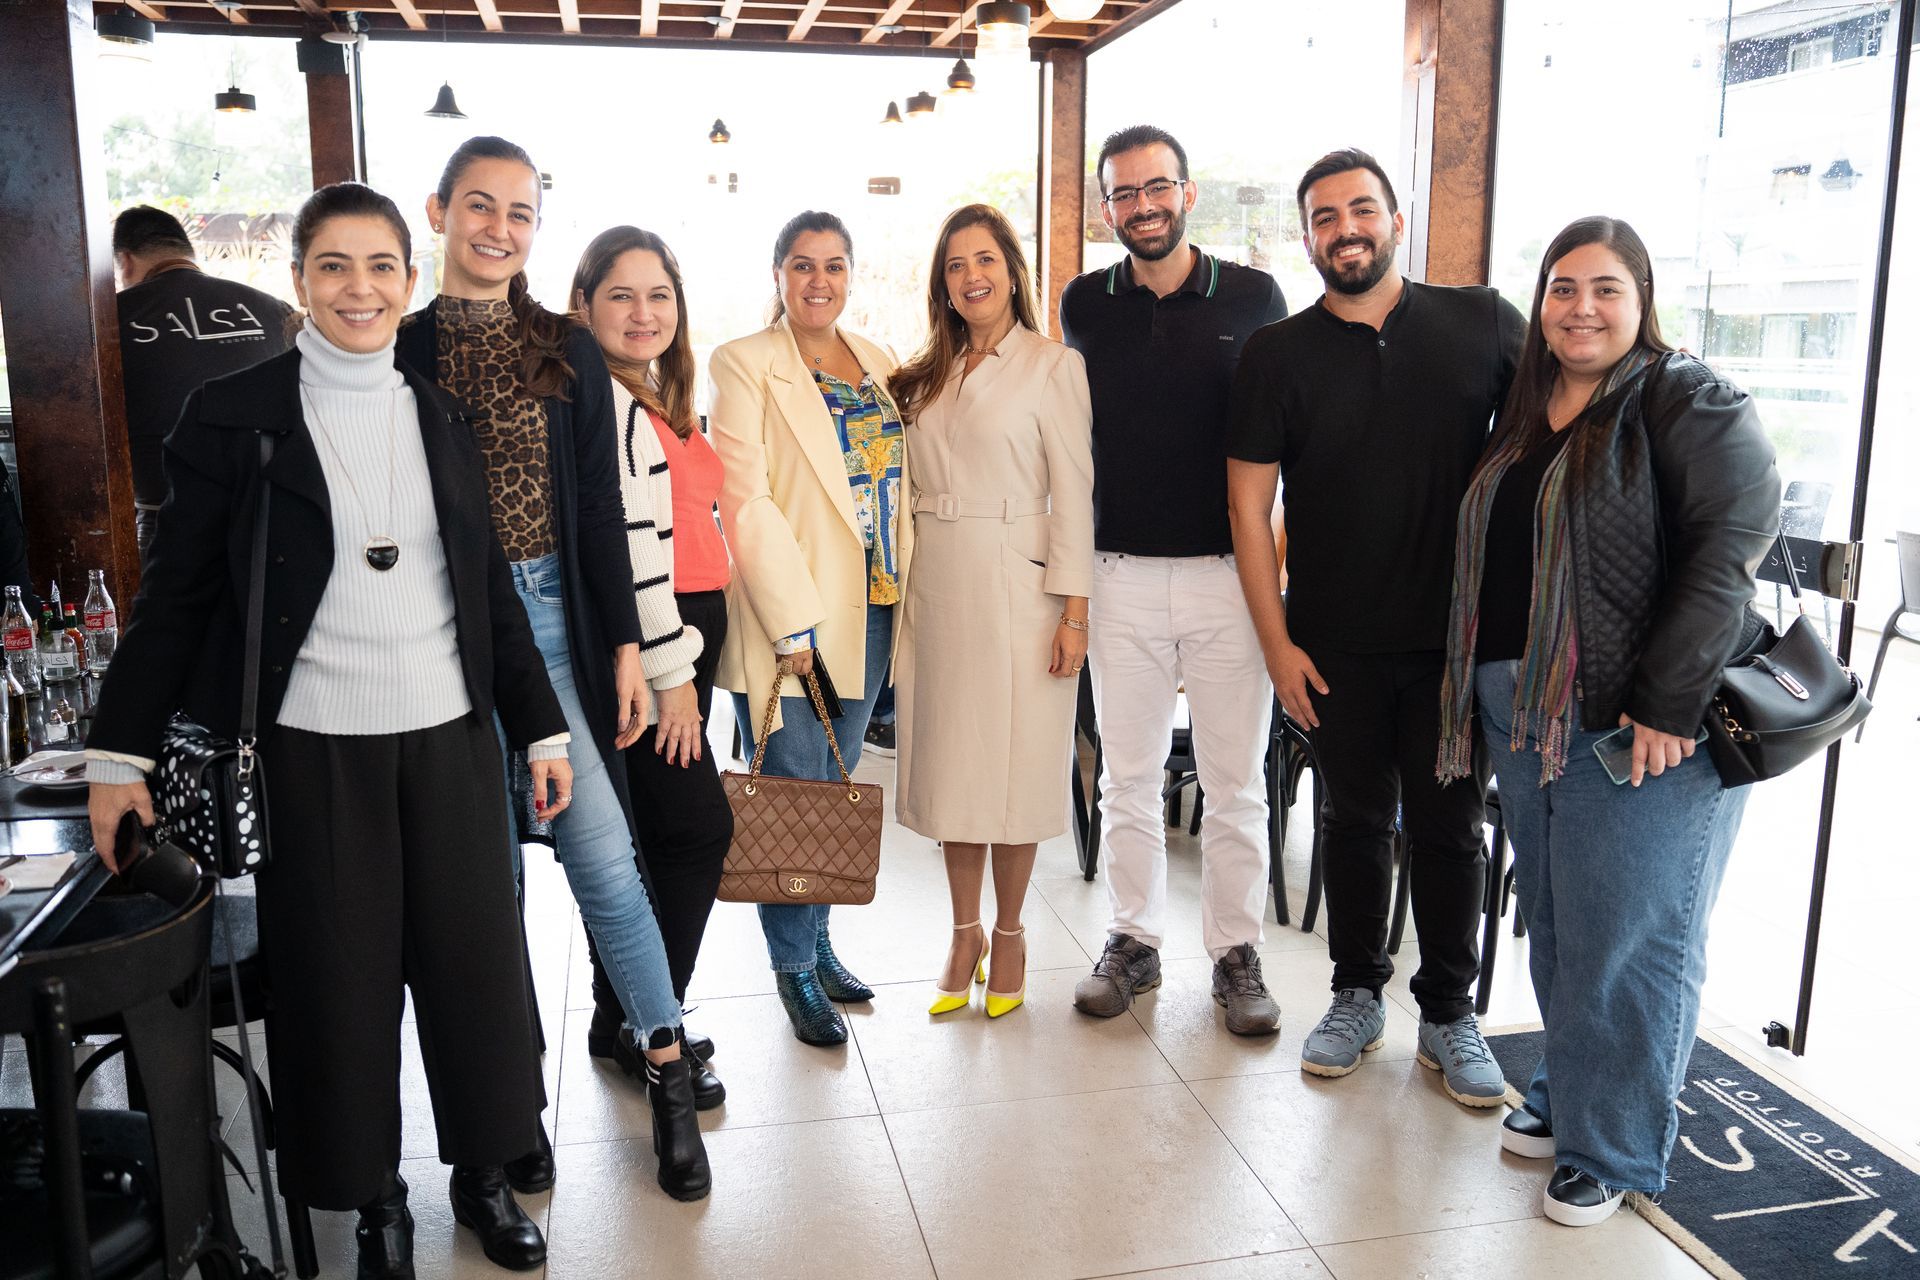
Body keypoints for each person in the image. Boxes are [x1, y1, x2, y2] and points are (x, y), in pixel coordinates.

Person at [85, 182, 567, 1275]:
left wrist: (541, 731)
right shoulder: (235, 414)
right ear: (300, 278)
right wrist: (120, 758)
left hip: (448, 737)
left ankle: (483, 1171)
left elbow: (486, 593)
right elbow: (174, 602)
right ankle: (375, 1205)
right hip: (313, 748)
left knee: (475, 973)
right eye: (336, 265)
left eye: (383, 265)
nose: (362, 287)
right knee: (339, 988)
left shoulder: (442, 412)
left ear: (410, 276)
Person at [1437, 217, 1778, 1225]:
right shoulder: (1526, 405)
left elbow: (1731, 544)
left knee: (1633, 934)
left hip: (1638, 721)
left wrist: (1668, 702)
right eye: (1562, 288)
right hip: (1529, 710)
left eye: (1605, 288)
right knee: (1557, 918)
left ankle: (1615, 1145)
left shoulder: (1683, 395)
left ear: (1641, 299)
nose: (1580, 307)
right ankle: (1570, 1087)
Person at [396, 136, 709, 1202]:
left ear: (537, 226)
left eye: (520, 212)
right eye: (479, 206)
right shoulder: (397, 349)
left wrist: (623, 647)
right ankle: (508, 1112)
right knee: (486, 888)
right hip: (438, 639)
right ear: (439, 209)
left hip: (553, 622)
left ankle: (668, 1065)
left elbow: (595, 517)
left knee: (607, 861)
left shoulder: (563, 347)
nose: (498, 228)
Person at [1226, 148, 1526, 1101]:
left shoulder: (1480, 321)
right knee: (1351, 821)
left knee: (1447, 830)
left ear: (1396, 219)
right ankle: (1356, 994)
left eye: (1361, 209)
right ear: (1307, 236)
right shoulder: (1276, 354)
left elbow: (1564, 418)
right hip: (1332, 644)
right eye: (1324, 216)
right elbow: (1247, 507)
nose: (1344, 228)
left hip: (1453, 646)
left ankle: (1450, 1015)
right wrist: (1276, 647)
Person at [1059, 125, 1289, 1036]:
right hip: (1117, 575)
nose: (1143, 206)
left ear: (1189, 193)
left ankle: (1236, 954)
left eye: (1158, 188)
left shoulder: (1256, 295)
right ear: (1105, 207)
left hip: (1230, 576)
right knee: (1128, 775)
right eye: (1124, 193)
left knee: (1235, 783)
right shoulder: (1084, 303)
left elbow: (1283, 434)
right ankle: (1132, 940)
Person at [709, 210, 910, 1047]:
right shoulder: (744, 362)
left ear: (850, 272)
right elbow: (745, 500)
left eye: (833, 265)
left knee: (836, 781)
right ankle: (792, 969)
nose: (818, 281)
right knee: (793, 789)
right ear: (778, 273)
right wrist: (791, 627)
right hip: (801, 617)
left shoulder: (880, 361)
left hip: (875, 602)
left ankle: (821, 943)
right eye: (801, 266)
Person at [888, 203, 1093, 1019]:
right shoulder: (923, 373)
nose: (971, 276)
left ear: (1012, 269)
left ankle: (1009, 935)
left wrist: (1075, 612)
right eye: (954, 265)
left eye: (985, 260)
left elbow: (1075, 496)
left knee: (1014, 770)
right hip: (938, 584)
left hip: (1022, 590)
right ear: (941, 284)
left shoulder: (1053, 366)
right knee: (952, 769)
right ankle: (963, 931)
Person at [569, 225, 733, 1108]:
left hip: (686, 638)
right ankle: (649, 1022)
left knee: (654, 836)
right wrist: (672, 679)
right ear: (583, 303)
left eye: (659, 294)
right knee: (694, 831)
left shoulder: (657, 397)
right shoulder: (609, 402)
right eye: (621, 295)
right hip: (654, 650)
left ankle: (624, 1016)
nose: (643, 313)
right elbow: (634, 555)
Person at [112, 205, 294, 561]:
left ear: (126, 261)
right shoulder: (275, 311)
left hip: (168, 515)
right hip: (274, 513)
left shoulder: (111, 320)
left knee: (171, 616)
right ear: (186, 251)